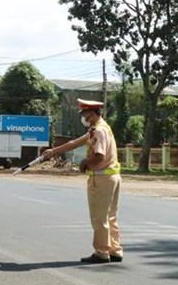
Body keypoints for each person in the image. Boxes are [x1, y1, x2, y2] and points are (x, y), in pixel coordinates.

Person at [42, 99, 123, 264]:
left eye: (85, 114)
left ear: (92, 114)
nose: (84, 118)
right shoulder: (100, 128)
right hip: (112, 176)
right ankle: (115, 250)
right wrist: (54, 151)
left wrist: (85, 162)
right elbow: (74, 143)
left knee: (99, 217)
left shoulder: (99, 131)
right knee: (110, 216)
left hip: (101, 178)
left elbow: (99, 155)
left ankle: (101, 252)